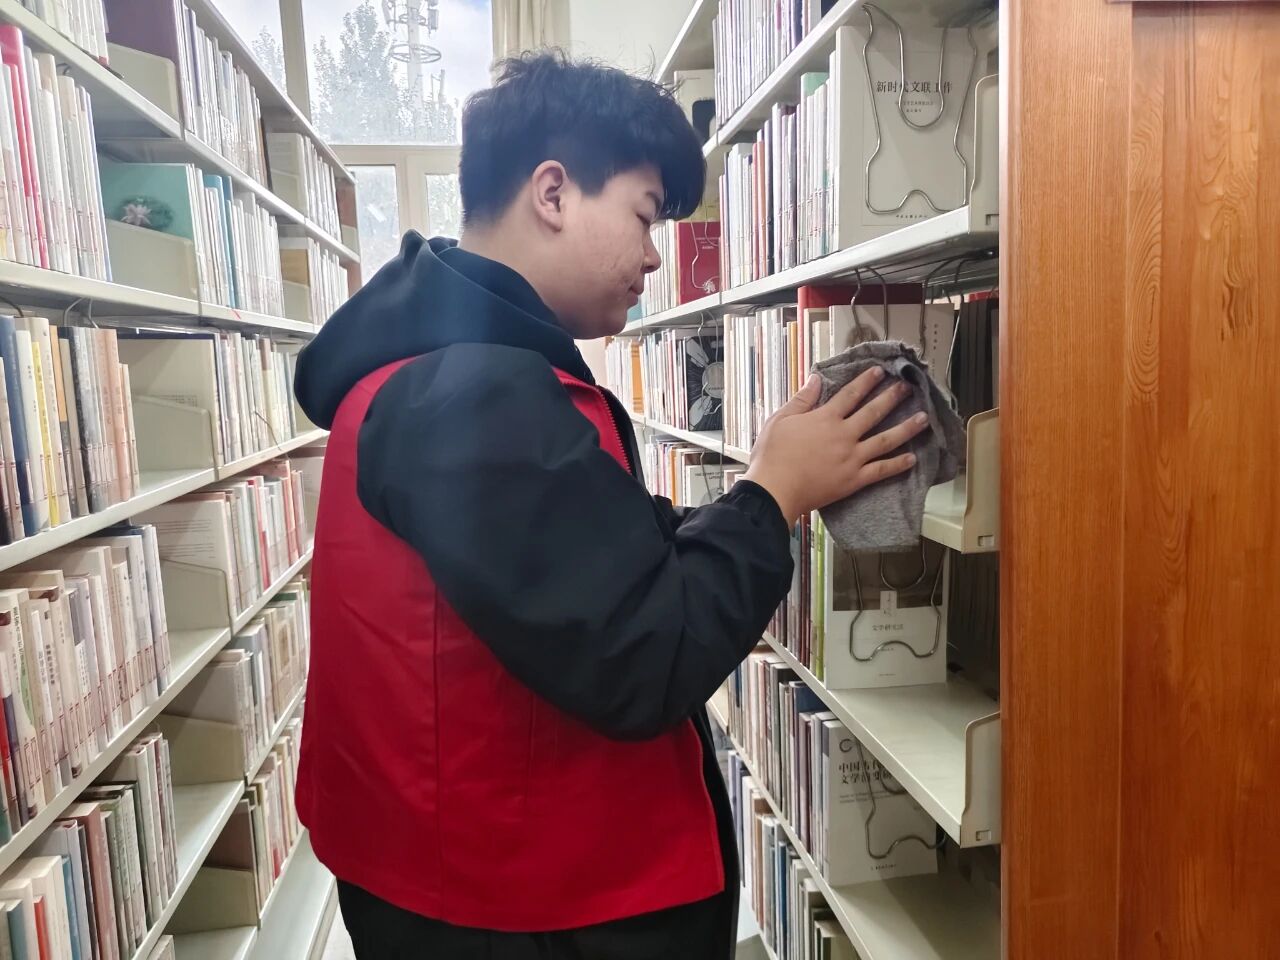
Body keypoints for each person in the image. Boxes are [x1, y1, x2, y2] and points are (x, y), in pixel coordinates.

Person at [292, 51, 928, 960]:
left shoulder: (433, 369)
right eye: (644, 213)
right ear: (553, 192)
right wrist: (772, 493)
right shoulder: (474, 395)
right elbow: (644, 655)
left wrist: (754, 489)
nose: (656, 254)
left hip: (460, 883)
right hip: (519, 909)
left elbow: (592, 564)